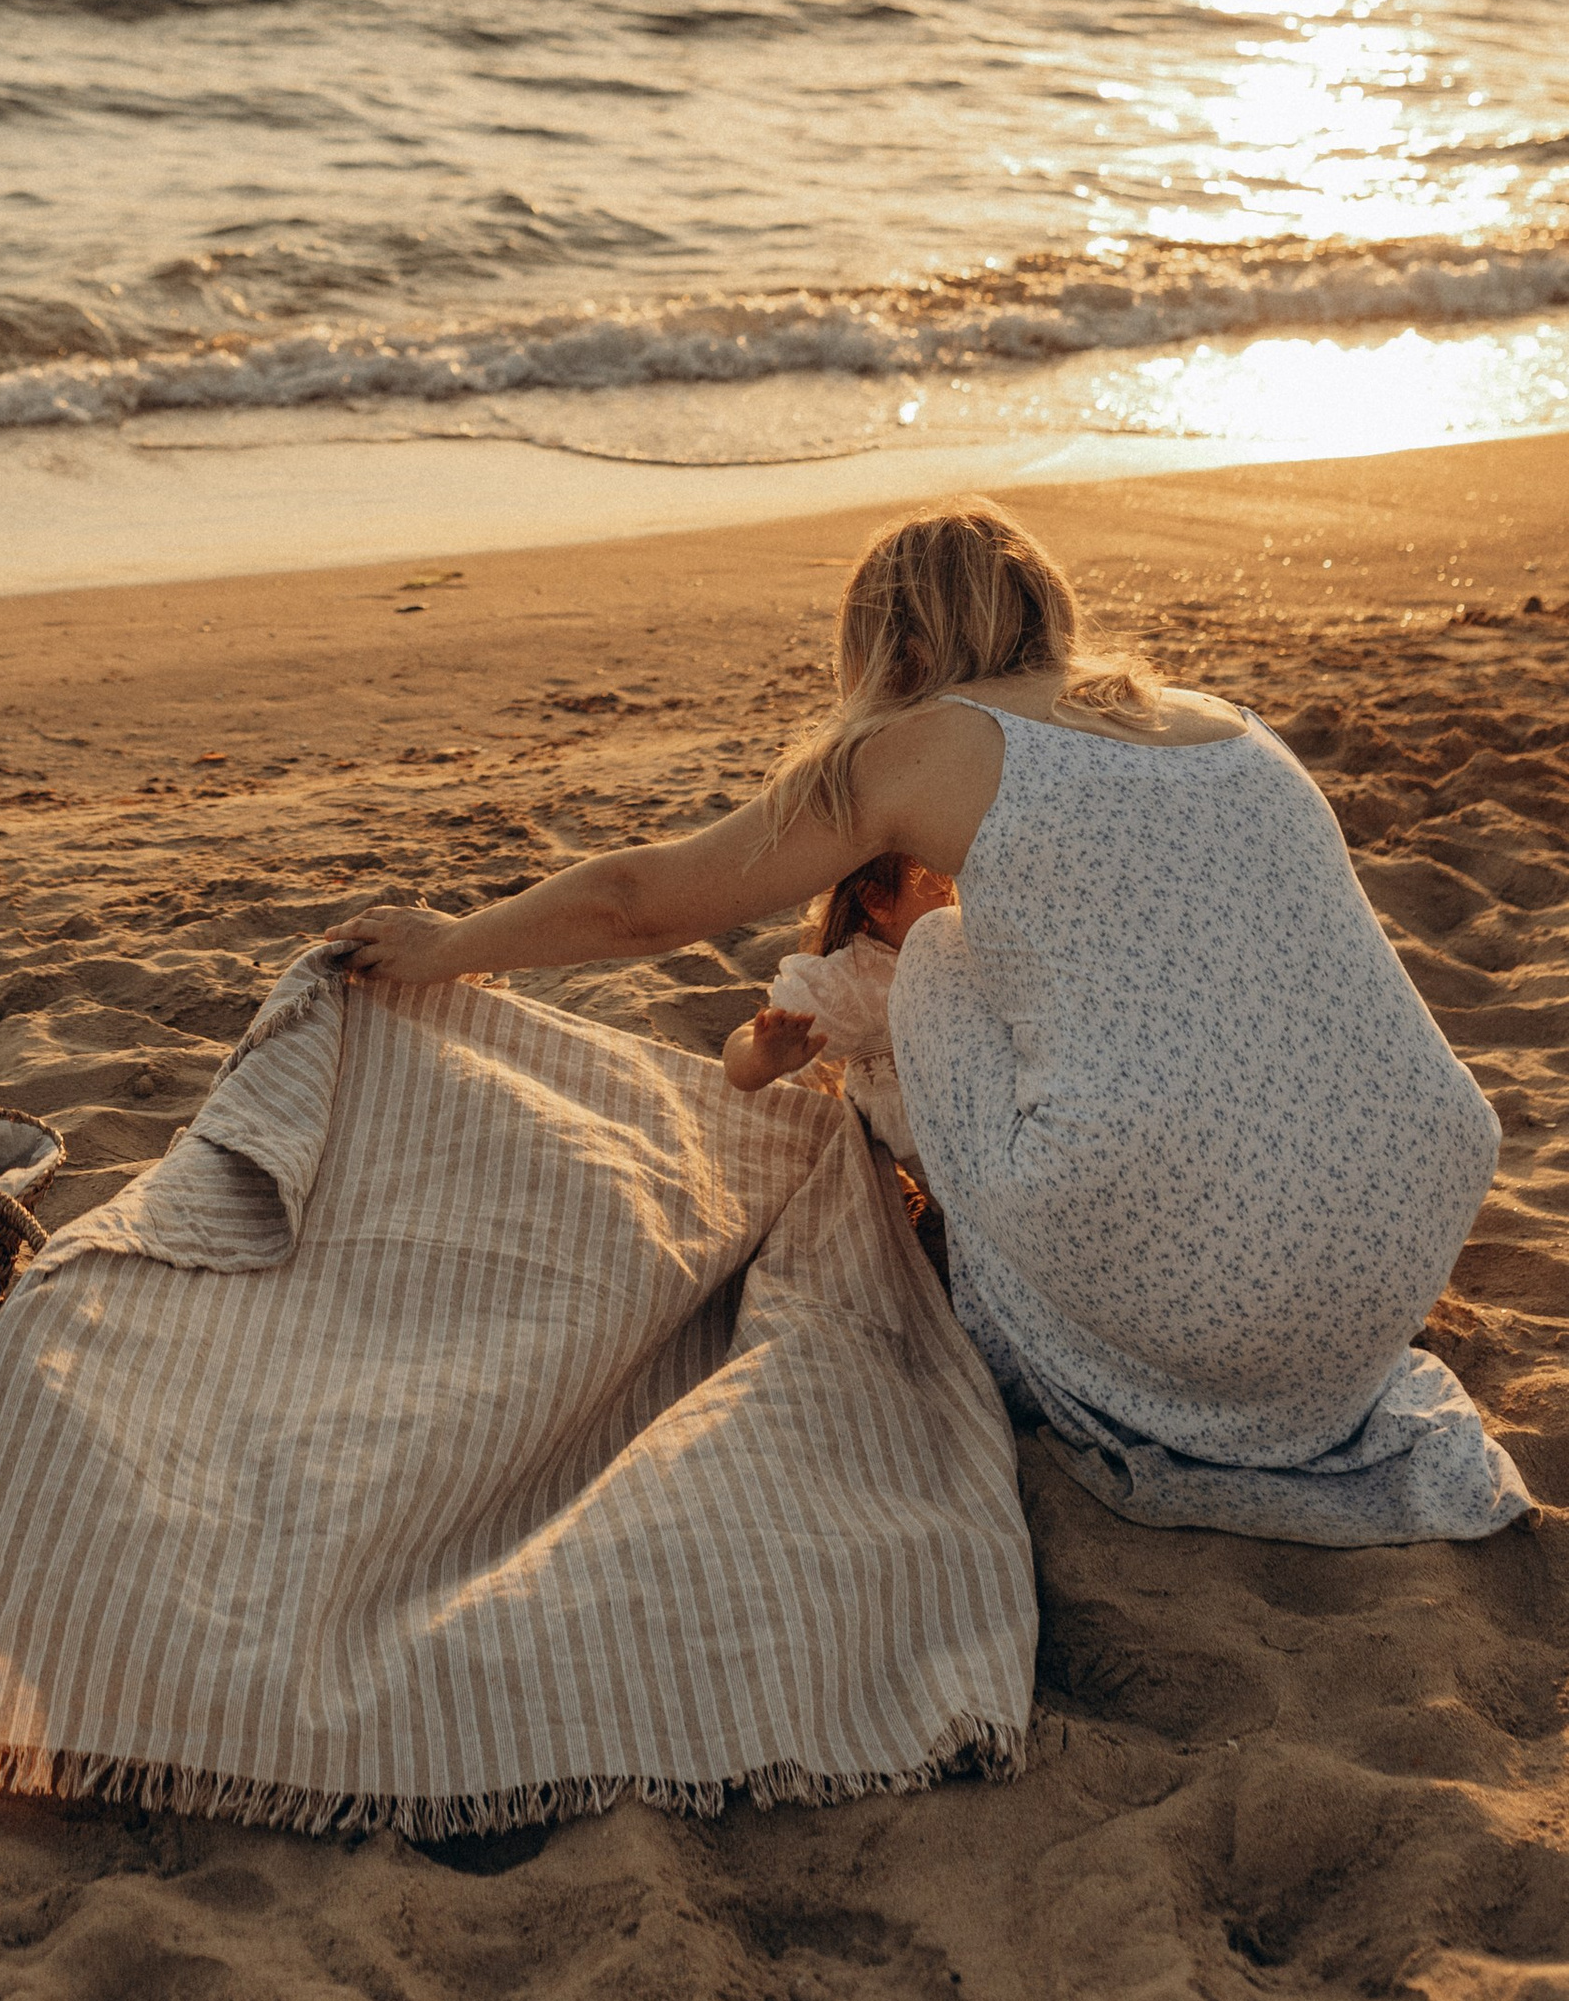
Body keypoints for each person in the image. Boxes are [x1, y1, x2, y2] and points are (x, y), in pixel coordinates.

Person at [327, 497, 1526, 1544]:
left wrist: (448, 946)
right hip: (1398, 1244)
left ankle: (1020, 1329)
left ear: (896, 641)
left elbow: (645, 906)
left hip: (1223, 1307)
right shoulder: (1219, 719)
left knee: (944, 949)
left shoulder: (931, 741)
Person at [721, 851, 956, 1165]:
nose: (964, 893)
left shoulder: (969, 945)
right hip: (947, 1168)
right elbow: (739, 1058)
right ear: (878, 900)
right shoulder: (858, 978)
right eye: (948, 884)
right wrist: (761, 1058)